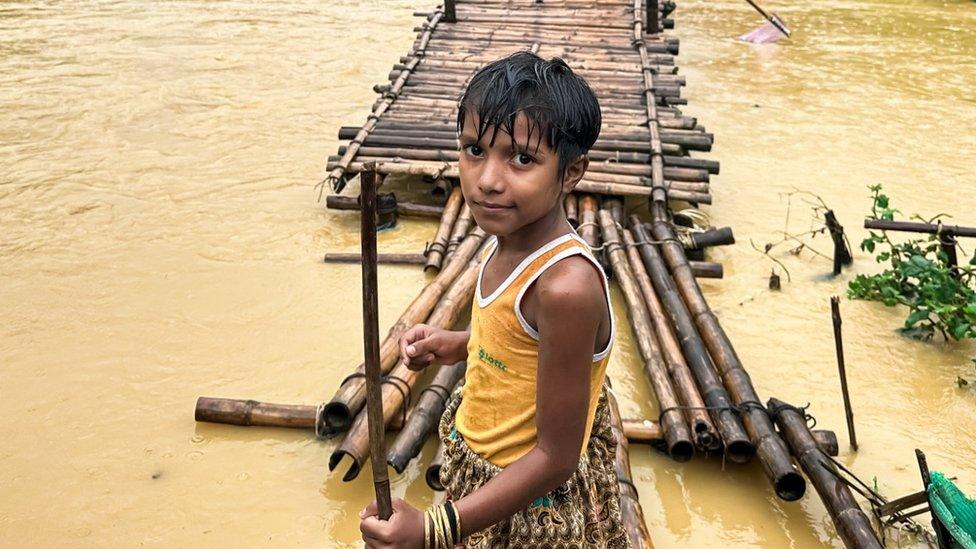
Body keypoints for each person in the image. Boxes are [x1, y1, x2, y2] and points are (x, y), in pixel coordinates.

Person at [360, 51, 628, 548]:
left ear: (571, 172)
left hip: (531, 502)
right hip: (485, 467)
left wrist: (434, 530)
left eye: (522, 158)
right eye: (473, 149)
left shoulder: (565, 287)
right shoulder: (508, 236)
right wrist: (458, 342)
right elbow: (516, 337)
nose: (487, 179)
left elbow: (555, 456)